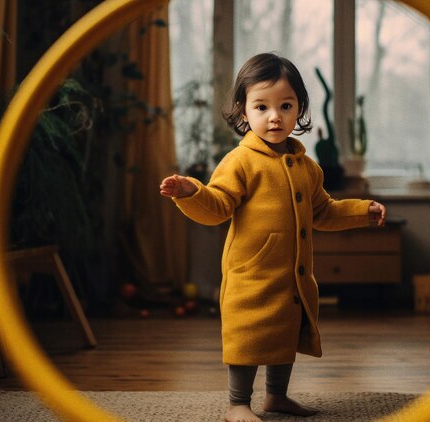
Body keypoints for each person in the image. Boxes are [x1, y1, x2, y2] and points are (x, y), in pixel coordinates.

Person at [160, 52, 386, 422]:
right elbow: (217, 206)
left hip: (292, 276)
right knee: (248, 336)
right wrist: (190, 192)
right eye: (261, 106)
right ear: (243, 112)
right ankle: (237, 404)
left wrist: (362, 210)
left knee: (285, 333)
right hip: (252, 274)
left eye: (285, 105)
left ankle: (276, 397)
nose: (274, 116)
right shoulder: (240, 162)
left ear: (299, 109)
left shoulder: (307, 168)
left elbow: (324, 212)